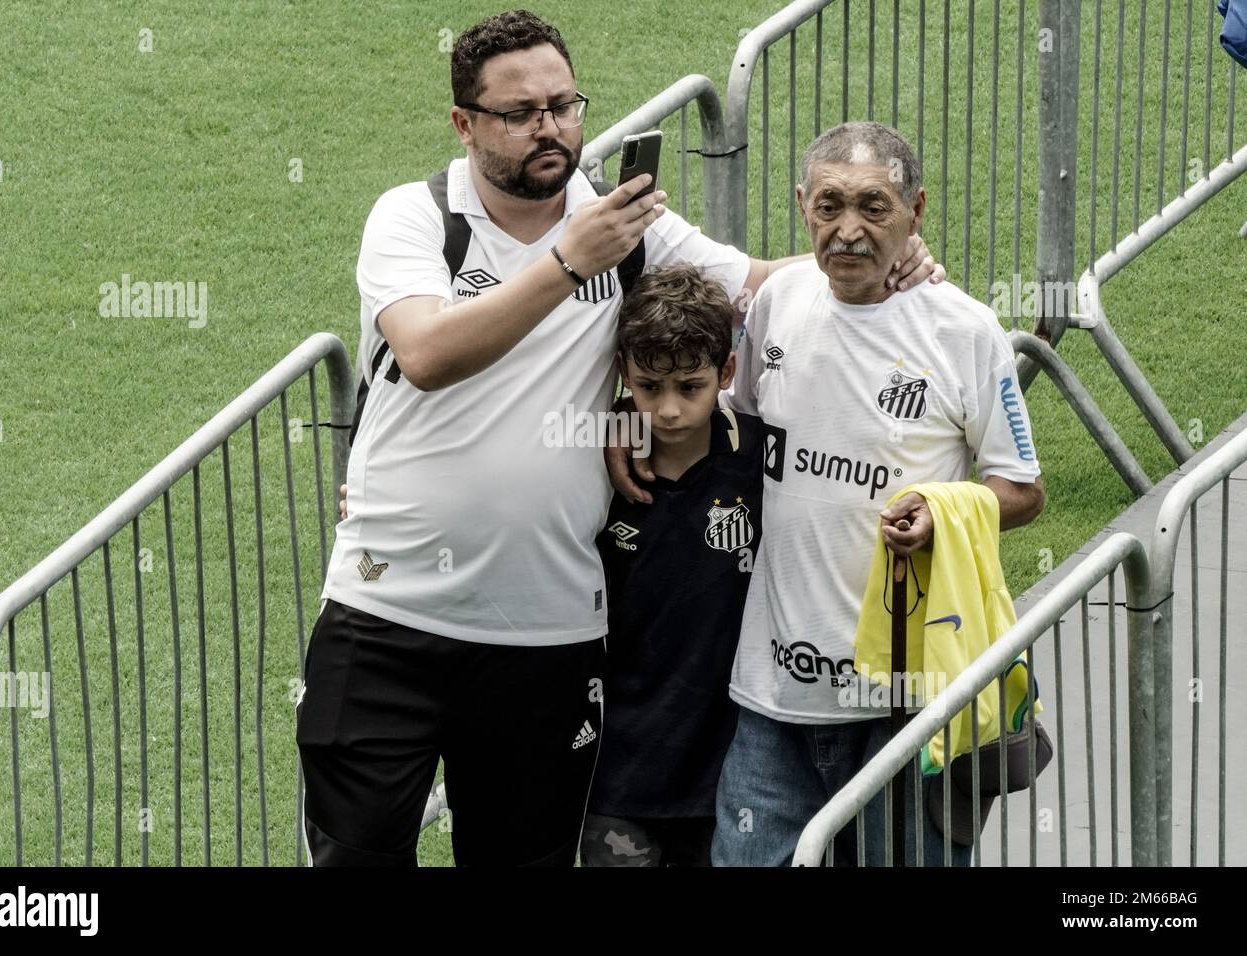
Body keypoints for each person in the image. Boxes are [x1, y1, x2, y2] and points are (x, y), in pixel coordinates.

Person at [299, 9, 942, 868]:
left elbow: (752, 283)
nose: (551, 128)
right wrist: (569, 261)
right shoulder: (416, 219)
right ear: (465, 125)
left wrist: (882, 253)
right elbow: (424, 353)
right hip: (387, 615)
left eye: (565, 105)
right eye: (521, 112)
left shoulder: (623, 227)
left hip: (546, 639)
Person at [706, 121, 1046, 867]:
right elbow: (746, 443)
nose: (848, 230)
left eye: (874, 206)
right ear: (802, 206)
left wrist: (945, 513)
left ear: (915, 210)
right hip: (773, 694)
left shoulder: (966, 331)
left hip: (907, 701)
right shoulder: (776, 305)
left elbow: (1023, 489)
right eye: (829, 206)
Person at [580, 264, 763, 867]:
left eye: (691, 386)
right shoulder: (587, 463)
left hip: (732, 773)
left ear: (727, 372)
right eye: (648, 387)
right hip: (616, 775)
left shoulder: (765, 461)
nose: (669, 409)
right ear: (622, 375)